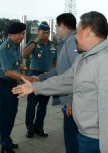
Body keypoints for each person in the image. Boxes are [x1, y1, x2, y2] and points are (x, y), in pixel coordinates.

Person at [12, 11, 108, 153]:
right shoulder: (84, 58)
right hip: (85, 135)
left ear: (88, 31)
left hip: (98, 141)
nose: (75, 37)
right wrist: (35, 87)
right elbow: (64, 80)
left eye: (78, 31)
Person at [38, 13, 79, 152]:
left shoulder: (72, 41)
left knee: (72, 140)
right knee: (71, 139)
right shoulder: (66, 42)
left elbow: (78, 73)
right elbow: (60, 70)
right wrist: (40, 78)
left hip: (71, 103)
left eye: (56, 26)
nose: (56, 29)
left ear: (63, 25)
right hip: (69, 101)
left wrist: (73, 99)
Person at [0, 22, 35, 153]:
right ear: (10, 34)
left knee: (11, 114)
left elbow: (13, 65)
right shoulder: (5, 48)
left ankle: (7, 139)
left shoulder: (16, 46)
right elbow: (7, 72)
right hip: (2, 85)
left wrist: (20, 67)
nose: (22, 36)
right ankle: (5, 145)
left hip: (12, 85)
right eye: (19, 34)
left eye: (23, 33)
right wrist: (27, 79)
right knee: (4, 116)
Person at [23, 21, 57, 138]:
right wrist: (37, 39)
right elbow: (24, 54)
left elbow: (55, 62)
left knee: (43, 104)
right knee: (32, 104)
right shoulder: (33, 43)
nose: (45, 34)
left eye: (47, 32)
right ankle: (30, 128)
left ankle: (39, 127)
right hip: (34, 76)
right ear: (39, 32)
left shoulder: (53, 45)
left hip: (47, 76)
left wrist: (52, 73)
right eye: (43, 32)